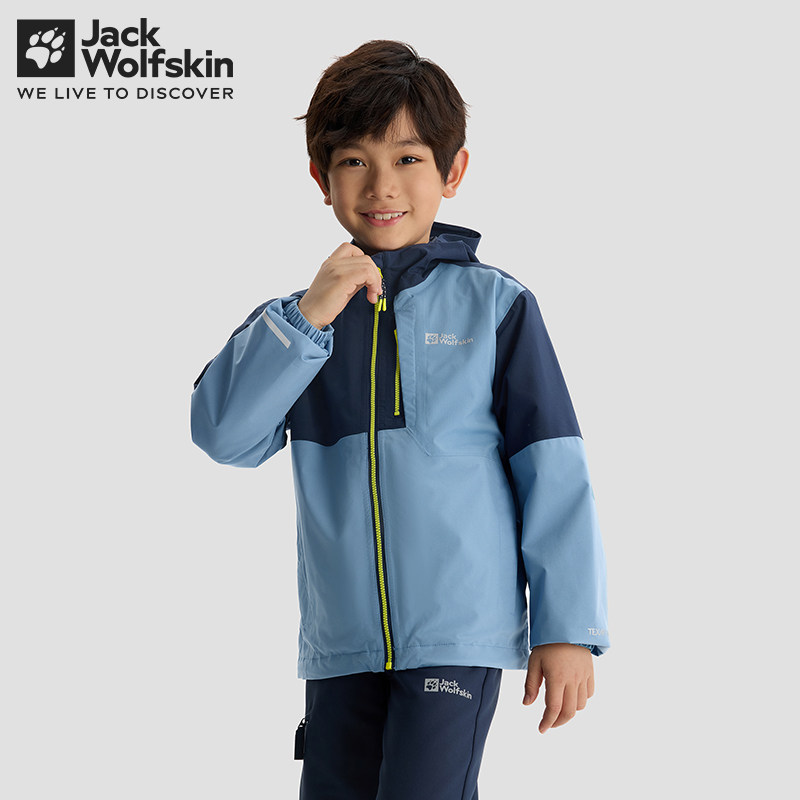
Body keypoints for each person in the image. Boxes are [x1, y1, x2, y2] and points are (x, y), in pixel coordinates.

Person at [191, 39, 609, 800]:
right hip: (341, 644)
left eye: (408, 159)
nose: (382, 185)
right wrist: (310, 315)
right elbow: (225, 436)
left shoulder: (497, 307)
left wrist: (566, 627)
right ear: (320, 177)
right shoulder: (297, 326)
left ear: (453, 171)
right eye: (354, 160)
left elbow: (553, 470)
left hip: (457, 636)